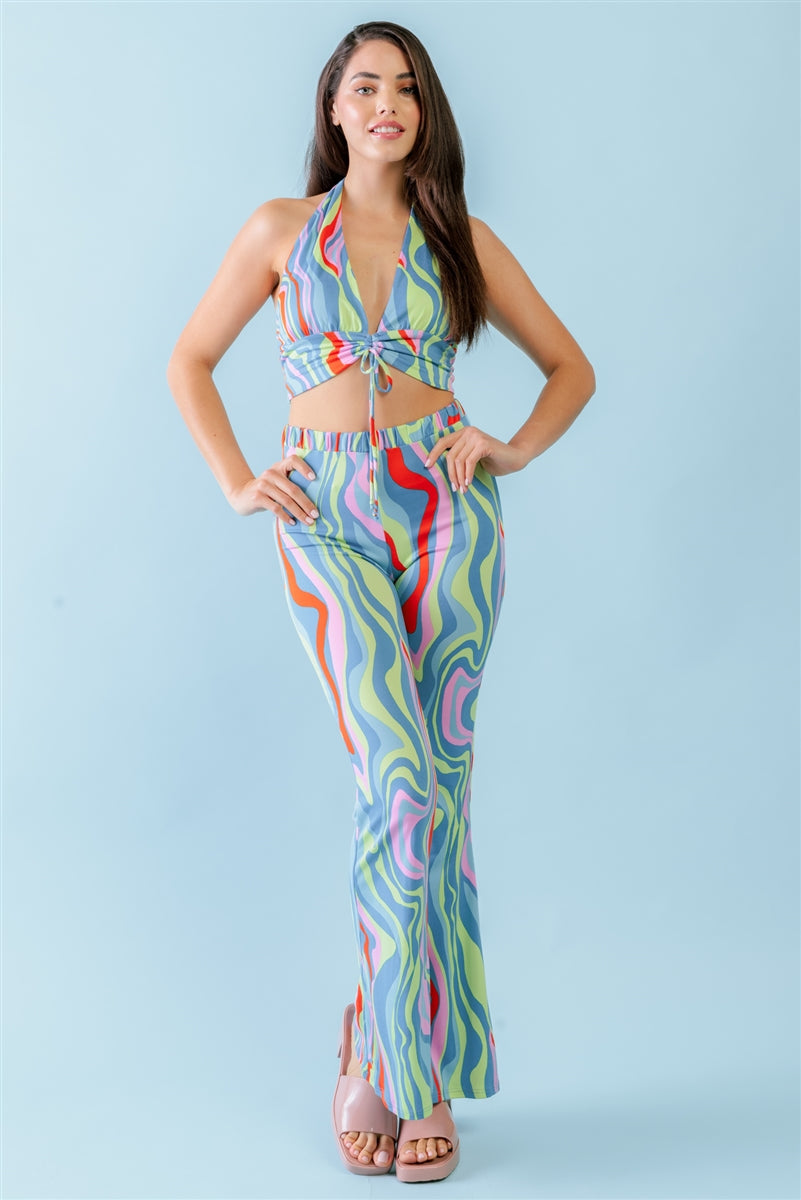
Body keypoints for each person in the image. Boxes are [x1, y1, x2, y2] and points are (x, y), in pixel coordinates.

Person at [166, 19, 595, 1183]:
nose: (386, 104)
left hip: (447, 513)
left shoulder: (458, 237)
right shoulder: (279, 231)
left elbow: (572, 369)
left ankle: (391, 1049)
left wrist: (508, 449)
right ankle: (409, 1066)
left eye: (406, 88)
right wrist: (239, 480)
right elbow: (189, 360)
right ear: (334, 106)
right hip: (326, 516)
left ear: (424, 112)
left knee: (437, 792)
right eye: (365, 86)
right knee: (396, 783)